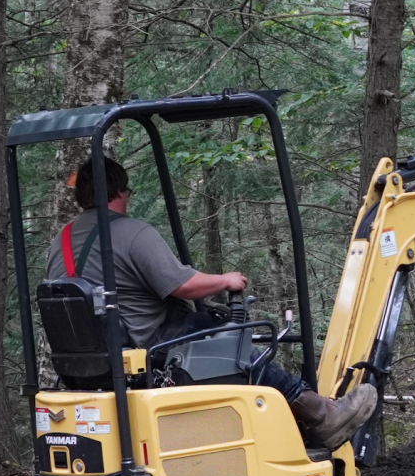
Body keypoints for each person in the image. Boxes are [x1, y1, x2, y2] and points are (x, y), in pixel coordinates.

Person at [47, 157, 376, 451]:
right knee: (232, 346)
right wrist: (226, 280)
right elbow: (184, 285)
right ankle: (321, 415)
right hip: (147, 350)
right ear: (119, 192)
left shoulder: (60, 241)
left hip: (90, 365)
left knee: (206, 328)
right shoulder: (132, 233)